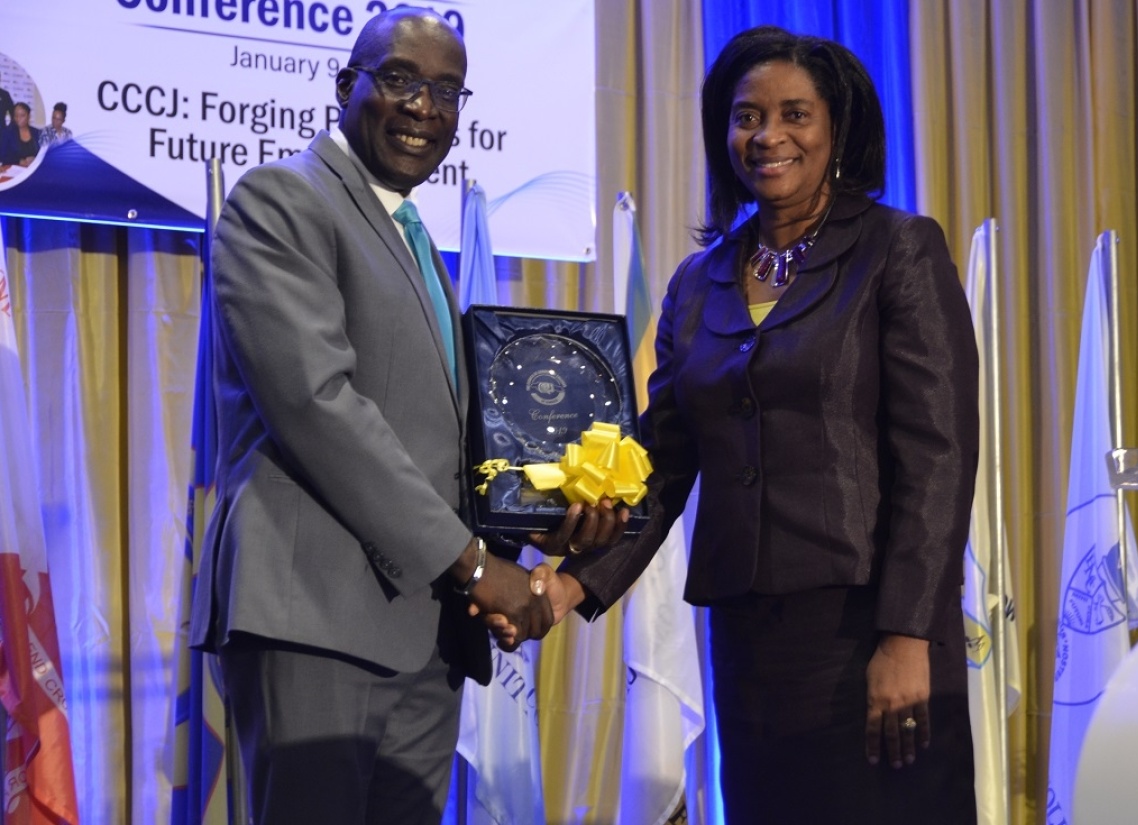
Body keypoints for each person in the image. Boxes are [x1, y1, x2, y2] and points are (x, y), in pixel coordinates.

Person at [502, 26, 980, 824]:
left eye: (795, 114)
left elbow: (939, 457)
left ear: (838, 129)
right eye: (745, 115)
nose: (767, 136)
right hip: (749, 640)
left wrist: (908, 636)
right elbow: (662, 461)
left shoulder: (899, 251)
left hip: (868, 627)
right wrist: (571, 584)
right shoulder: (699, 282)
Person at [188, 8, 623, 824]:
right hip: (314, 616)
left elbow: (434, 441)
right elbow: (320, 409)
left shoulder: (412, 233)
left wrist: (532, 531)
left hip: (426, 631)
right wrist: (473, 564)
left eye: (448, 91)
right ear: (346, 86)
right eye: (399, 80)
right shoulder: (284, 199)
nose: (425, 106)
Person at [0, 103, 41, 167]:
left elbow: (44, 154)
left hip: (33, 168)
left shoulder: (37, 133)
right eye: (16, 115)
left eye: (22, 115)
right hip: (14, 170)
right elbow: (2, 156)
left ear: (29, 116)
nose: (18, 118)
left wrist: (35, 158)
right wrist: (19, 161)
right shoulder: (7, 133)